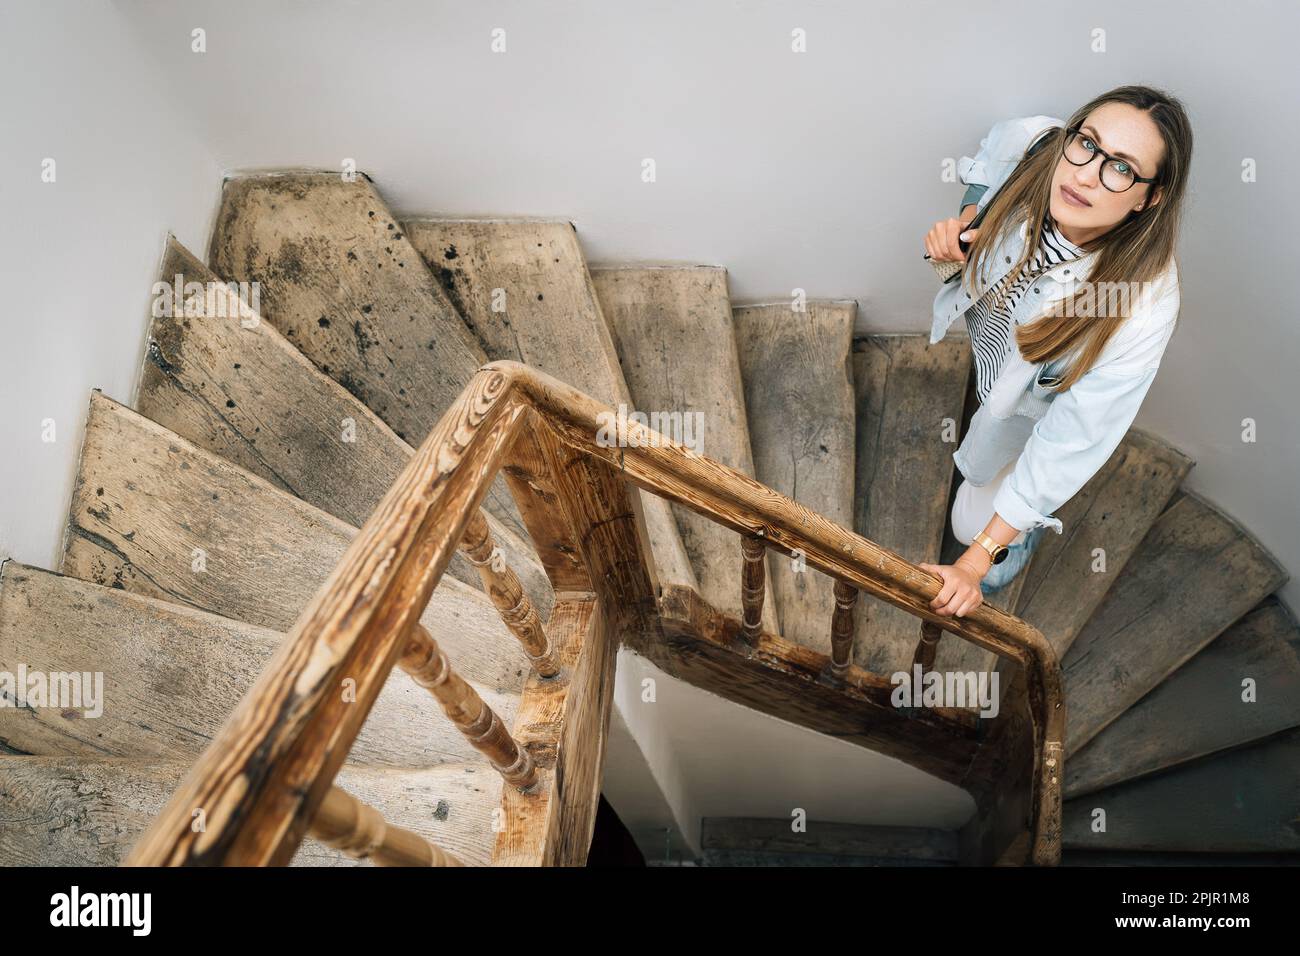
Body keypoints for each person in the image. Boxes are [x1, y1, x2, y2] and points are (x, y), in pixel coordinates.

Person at [918, 85, 1192, 618]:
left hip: (1029, 418)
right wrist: (969, 220)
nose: (1086, 173)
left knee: (967, 527)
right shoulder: (1038, 146)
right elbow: (994, 151)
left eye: (1122, 169)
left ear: (1149, 197)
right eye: (1088, 143)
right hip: (993, 358)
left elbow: (1071, 442)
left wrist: (977, 563)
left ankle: (1016, 548)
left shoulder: (1140, 307)